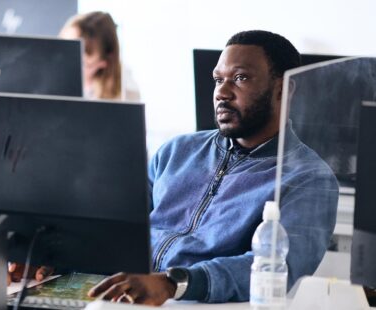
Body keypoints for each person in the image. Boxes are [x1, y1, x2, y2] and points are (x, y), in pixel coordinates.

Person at [85, 30, 338, 305]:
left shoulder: (308, 178)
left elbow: (281, 267)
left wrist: (174, 284)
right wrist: (59, 258)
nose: (222, 93)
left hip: (198, 302)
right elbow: (120, 226)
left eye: (240, 78)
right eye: (218, 80)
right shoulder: (176, 151)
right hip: (127, 296)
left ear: (283, 89)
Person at [59, 11, 140, 101]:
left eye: (81, 63)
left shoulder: (126, 92)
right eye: (63, 51)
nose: (66, 65)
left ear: (104, 62)